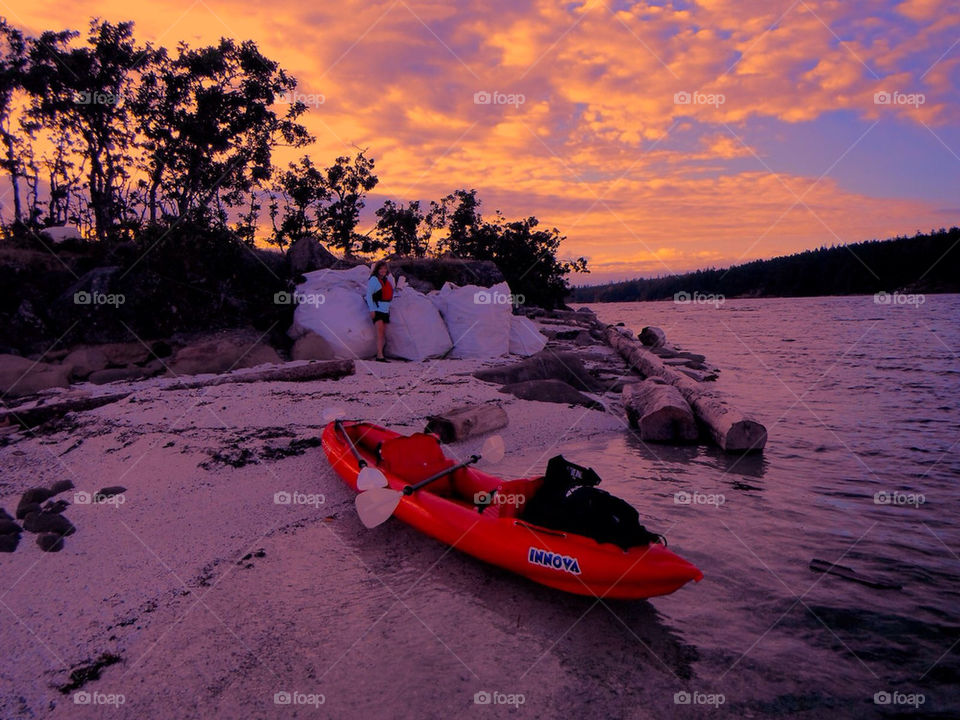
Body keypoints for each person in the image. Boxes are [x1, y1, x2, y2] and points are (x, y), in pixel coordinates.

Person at [366, 261, 395, 362]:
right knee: (380, 332)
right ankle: (379, 355)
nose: (383, 270)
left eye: (385, 268)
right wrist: (372, 310)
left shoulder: (386, 280)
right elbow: (369, 295)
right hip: (377, 309)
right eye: (381, 268)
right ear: (377, 270)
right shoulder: (374, 280)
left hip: (385, 310)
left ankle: (381, 354)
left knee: (383, 333)